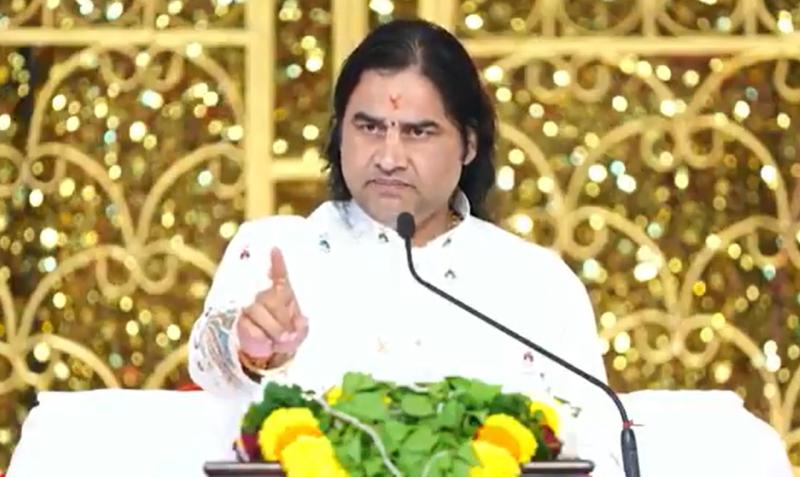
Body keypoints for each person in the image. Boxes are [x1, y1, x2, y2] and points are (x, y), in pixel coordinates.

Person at [189, 18, 621, 475]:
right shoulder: (277, 251)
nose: (389, 157)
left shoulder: (536, 283)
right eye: (369, 127)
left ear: (469, 144)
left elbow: (599, 452)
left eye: (418, 132)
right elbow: (207, 364)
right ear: (339, 133)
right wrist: (251, 347)